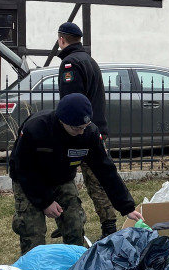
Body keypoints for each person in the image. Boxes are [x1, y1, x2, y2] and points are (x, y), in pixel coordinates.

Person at [10, 93, 142, 255]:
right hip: (30, 179)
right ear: (62, 120)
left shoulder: (89, 133)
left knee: (75, 225)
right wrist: (45, 202)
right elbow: (23, 168)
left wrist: (126, 206)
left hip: (62, 178)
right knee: (33, 231)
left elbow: (105, 170)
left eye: (84, 127)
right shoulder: (36, 128)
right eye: (76, 128)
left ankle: (75, 267)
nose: (81, 132)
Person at [57, 21, 121, 238]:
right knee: (98, 178)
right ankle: (108, 224)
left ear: (61, 40)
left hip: (79, 130)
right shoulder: (89, 60)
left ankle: (72, 219)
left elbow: (71, 103)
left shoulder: (70, 64)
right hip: (94, 127)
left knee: (64, 177)